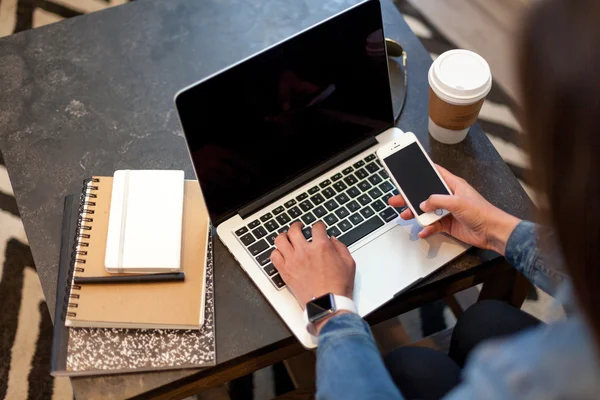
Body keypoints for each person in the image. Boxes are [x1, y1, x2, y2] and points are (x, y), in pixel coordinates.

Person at [269, 0, 600, 398]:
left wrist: (330, 308)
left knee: (406, 370)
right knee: (485, 323)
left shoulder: (526, 379)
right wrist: (496, 229)